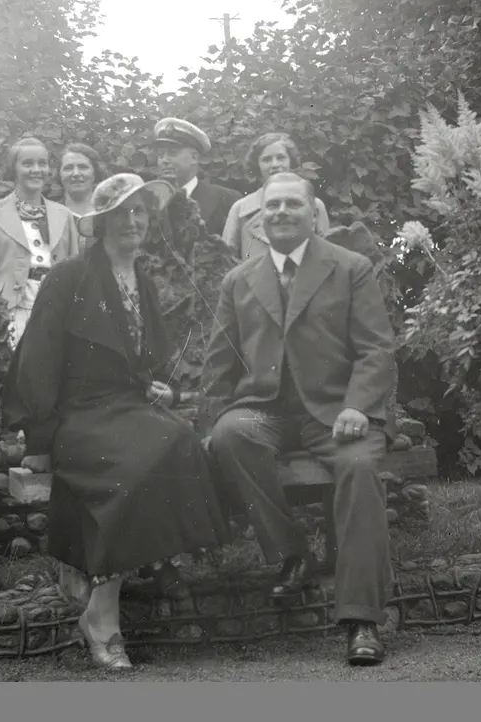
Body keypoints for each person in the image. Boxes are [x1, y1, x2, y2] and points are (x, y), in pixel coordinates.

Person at [0, 173, 231, 671]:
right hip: (77, 414)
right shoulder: (69, 276)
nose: (132, 221)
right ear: (101, 222)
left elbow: (142, 358)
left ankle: (123, 580)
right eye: (121, 213)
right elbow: (37, 359)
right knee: (131, 469)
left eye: (140, 211)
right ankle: (104, 616)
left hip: (126, 407)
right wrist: (39, 439)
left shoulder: (140, 278)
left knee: (180, 438)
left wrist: (161, 388)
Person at [202, 171, 398, 667]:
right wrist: (207, 421)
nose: (281, 212)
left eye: (292, 204)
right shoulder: (238, 279)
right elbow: (218, 363)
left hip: (337, 413)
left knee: (359, 468)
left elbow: (376, 348)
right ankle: (293, 554)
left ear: (313, 213)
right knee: (230, 435)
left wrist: (358, 405)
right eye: (272, 206)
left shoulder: (350, 267)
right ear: (258, 218)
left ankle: (362, 619)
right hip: (266, 409)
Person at [0, 136, 79, 347]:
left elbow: (76, 269)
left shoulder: (64, 215)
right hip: (12, 308)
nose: (36, 170)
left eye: (42, 163)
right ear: (14, 168)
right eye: (27, 163)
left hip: (58, 308)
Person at [222, 132, 331, 262]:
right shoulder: (241, 209)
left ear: (290, 161)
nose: (274, 164)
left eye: (281, 158)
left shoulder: (314, 205)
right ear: (257, 164)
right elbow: (226, 261)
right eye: (266, 160)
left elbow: (328, 256)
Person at [154, 117, 241, 236]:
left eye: (173, 153)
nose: (164, 160)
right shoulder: (149, 200)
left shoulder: (227, 199)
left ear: (194, 157)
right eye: (160, 155)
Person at [56, 142, 110, 247]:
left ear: (95, 172)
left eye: (83, 167)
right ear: (59, 174)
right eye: (68, 168)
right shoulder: (48, 216)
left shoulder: (110, 215)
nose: (76, 173)